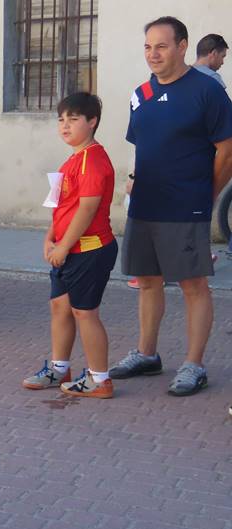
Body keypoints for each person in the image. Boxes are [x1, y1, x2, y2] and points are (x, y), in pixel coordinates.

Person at [110, 16, 232, 396]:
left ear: (182, 47)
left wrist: (206, 194)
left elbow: (227, 151)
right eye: (148, 46)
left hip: (186, 205)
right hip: (145, 204)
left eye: (161, 46)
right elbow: (142, 148)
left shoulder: (206, 91)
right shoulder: (140, 95)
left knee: (193, 285)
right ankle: (147, 355)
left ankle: (194, 365)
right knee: (147, 281)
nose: (153, 54)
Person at [22, 92, 117, 399]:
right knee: (59, 307)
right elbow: (63, 205)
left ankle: (99, 379)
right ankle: (59, 368)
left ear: (92, 122)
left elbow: (87, 209)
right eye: (61, 119)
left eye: (74, 119)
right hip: (68, 248)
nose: (65, 126)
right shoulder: (73, 158)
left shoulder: (92, 160)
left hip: (89, 249)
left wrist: (63, 247)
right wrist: (51, 236)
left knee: (84, 312)